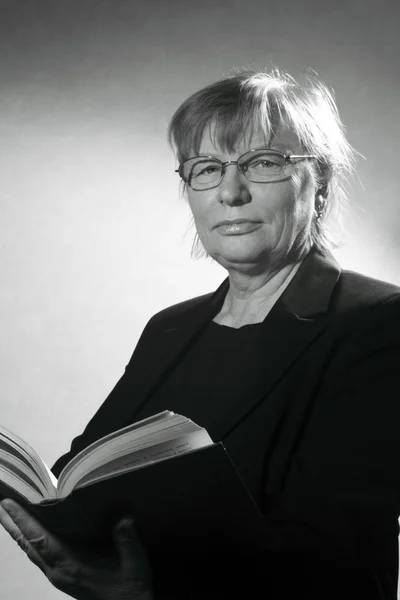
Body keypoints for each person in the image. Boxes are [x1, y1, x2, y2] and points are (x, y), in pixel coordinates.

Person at [0, 67, 400, 600]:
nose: (230, 192)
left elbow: (342, 567)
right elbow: (81, 477)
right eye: (207, 168)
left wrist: (147, 595)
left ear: (320, 183)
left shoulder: (378, 322)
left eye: (263, 162)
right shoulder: (171, 328)